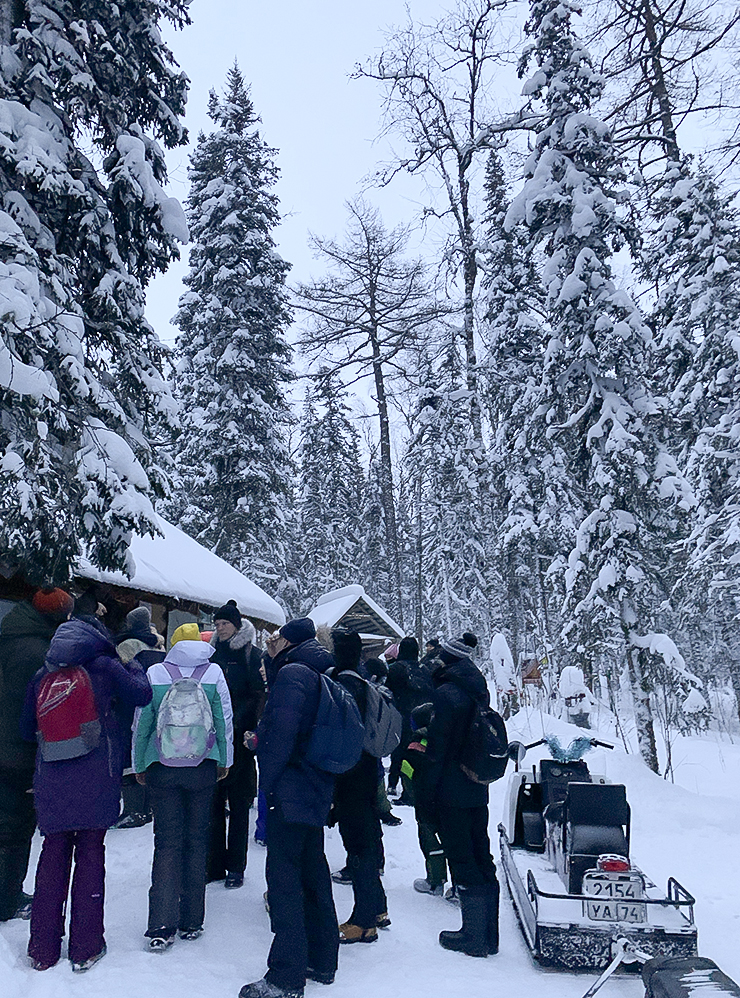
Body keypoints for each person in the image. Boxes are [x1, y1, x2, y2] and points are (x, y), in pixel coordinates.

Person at [20, 615, 153, 972]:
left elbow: (25, 727)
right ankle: (86, 947)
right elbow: (143, 694)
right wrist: (135, 665)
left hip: (52, 777)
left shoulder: (42, 673)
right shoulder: (107, 667)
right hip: (96, 777)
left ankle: (42, 950)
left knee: (52, 855)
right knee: (91, 855)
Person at [239, 617, 339, 998]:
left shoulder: (292, 674)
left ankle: (285, 976)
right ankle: (322, 960)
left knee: (284, 882)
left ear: (288, 643)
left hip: (292, 789)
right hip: (316, 785)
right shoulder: (320, 669)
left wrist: (262, 760)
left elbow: (280, 738)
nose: (271, 643)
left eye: (276, 638)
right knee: (313, 873)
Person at [132, 628, 233, 952]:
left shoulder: (156, 672)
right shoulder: (214, 672)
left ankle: (161, 924)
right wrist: (224, 759)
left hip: (162, 766)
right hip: (202, 767)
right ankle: (192, 920)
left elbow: (142, 721)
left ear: (174, 644)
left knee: (167, 844)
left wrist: (139, 763)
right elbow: (223, 719)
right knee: (196, 840)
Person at [419, 636, 500, 959]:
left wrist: (426, 799)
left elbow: (437, 753)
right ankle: (488, 934)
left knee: (462, 858)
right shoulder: (478, 690)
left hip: (452, 791)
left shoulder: (447, 696)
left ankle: (474, 936)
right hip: (476, 787)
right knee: (482, 856)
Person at [0, 589, 73, 923]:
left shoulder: (8, 634)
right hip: (19, 753)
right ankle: (7, 898)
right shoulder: (41, 654)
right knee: (15, 831)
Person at [331, 629, 388, 944]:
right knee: (366, 841)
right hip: (368, 772)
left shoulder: (343, 687)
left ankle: (364, 922)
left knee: (359, 849)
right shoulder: (365, 684)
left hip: (349, 775)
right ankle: (377, 908)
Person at [208, 600, 265, 889]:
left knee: (240, 804)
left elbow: (258, 694)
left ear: (237, 625)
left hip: (241, 740)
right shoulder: (211, 654)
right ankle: (214, 863)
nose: (220, 629)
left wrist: (244, 723)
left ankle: (236, 867)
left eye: (225, 624)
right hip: (214, 739)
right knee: (214, 803)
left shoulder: (252, 655)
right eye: (217, 625)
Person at [114, 605, 166, 829]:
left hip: (129, 706)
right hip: (155, 706)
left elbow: (119, 676)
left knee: (128, 756)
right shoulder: (160, 647)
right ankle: (148, 808)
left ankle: (134, 810)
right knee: (146, 754)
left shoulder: (128, 645)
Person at [404, 702, 449, 898]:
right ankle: (458, 886)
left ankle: (434, 881)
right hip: (450, 800)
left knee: (431, 843)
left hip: (425, 803)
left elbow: (408, 777)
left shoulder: (415, 745)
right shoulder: (446, 738)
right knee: (453, 842)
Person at [385, 636, 434, 802]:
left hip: (402, 715)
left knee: (399, 752)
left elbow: (388, 692)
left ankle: (393, 784)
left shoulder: (395, 668)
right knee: (418, 752)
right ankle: (416, 787)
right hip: (424, 718)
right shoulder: (425, 669)